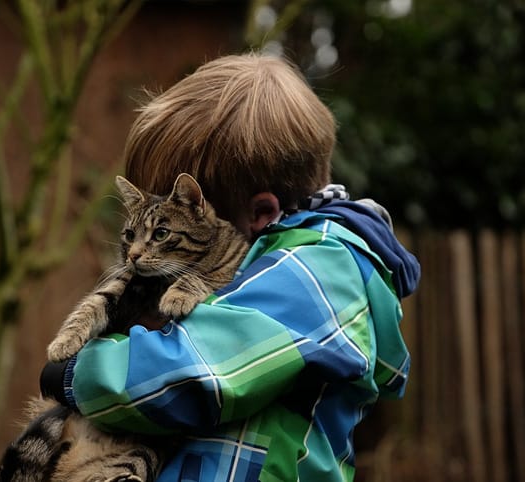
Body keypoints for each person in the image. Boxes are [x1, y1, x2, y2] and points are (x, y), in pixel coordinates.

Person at [40, 53, 420, 481]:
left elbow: (194, 374)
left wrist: (75, 376)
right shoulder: (283, 264)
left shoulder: (320, 267)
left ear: (260, 213)